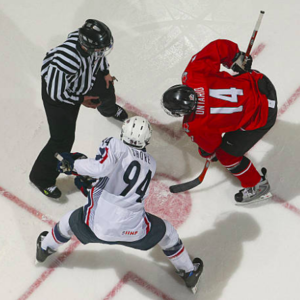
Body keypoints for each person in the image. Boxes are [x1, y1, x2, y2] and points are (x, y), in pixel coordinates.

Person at [35, 116, 204, 294]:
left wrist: (73, 165)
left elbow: (101, 168)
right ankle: (189, 272)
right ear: (147, 139)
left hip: (96, 227)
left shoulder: (114, 143)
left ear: (123, 132)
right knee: (168, 233)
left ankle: (45, 248)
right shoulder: (151, 163)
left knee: (68, 221)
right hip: (134, 231)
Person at [162, 39, 277, 205]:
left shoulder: (194, 124)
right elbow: (218, 47)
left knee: (227, 156)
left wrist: (209, 153)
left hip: (265, 114)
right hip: (259, 81)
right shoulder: (193, 75)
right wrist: (236, 58)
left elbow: (211, 147)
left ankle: (258, 186)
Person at [29, 19, 128, 199]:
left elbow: (100, 57)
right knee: (62, 139)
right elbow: (56, 94)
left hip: (83, 80)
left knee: (107, 89)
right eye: (100, 48)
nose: (103, 51)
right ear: (88, 46)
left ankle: (108, 110)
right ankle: (41, 177)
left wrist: (105, 72)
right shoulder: (64, 61)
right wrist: (81, 100)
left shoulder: (89, 44)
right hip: (61, 96)